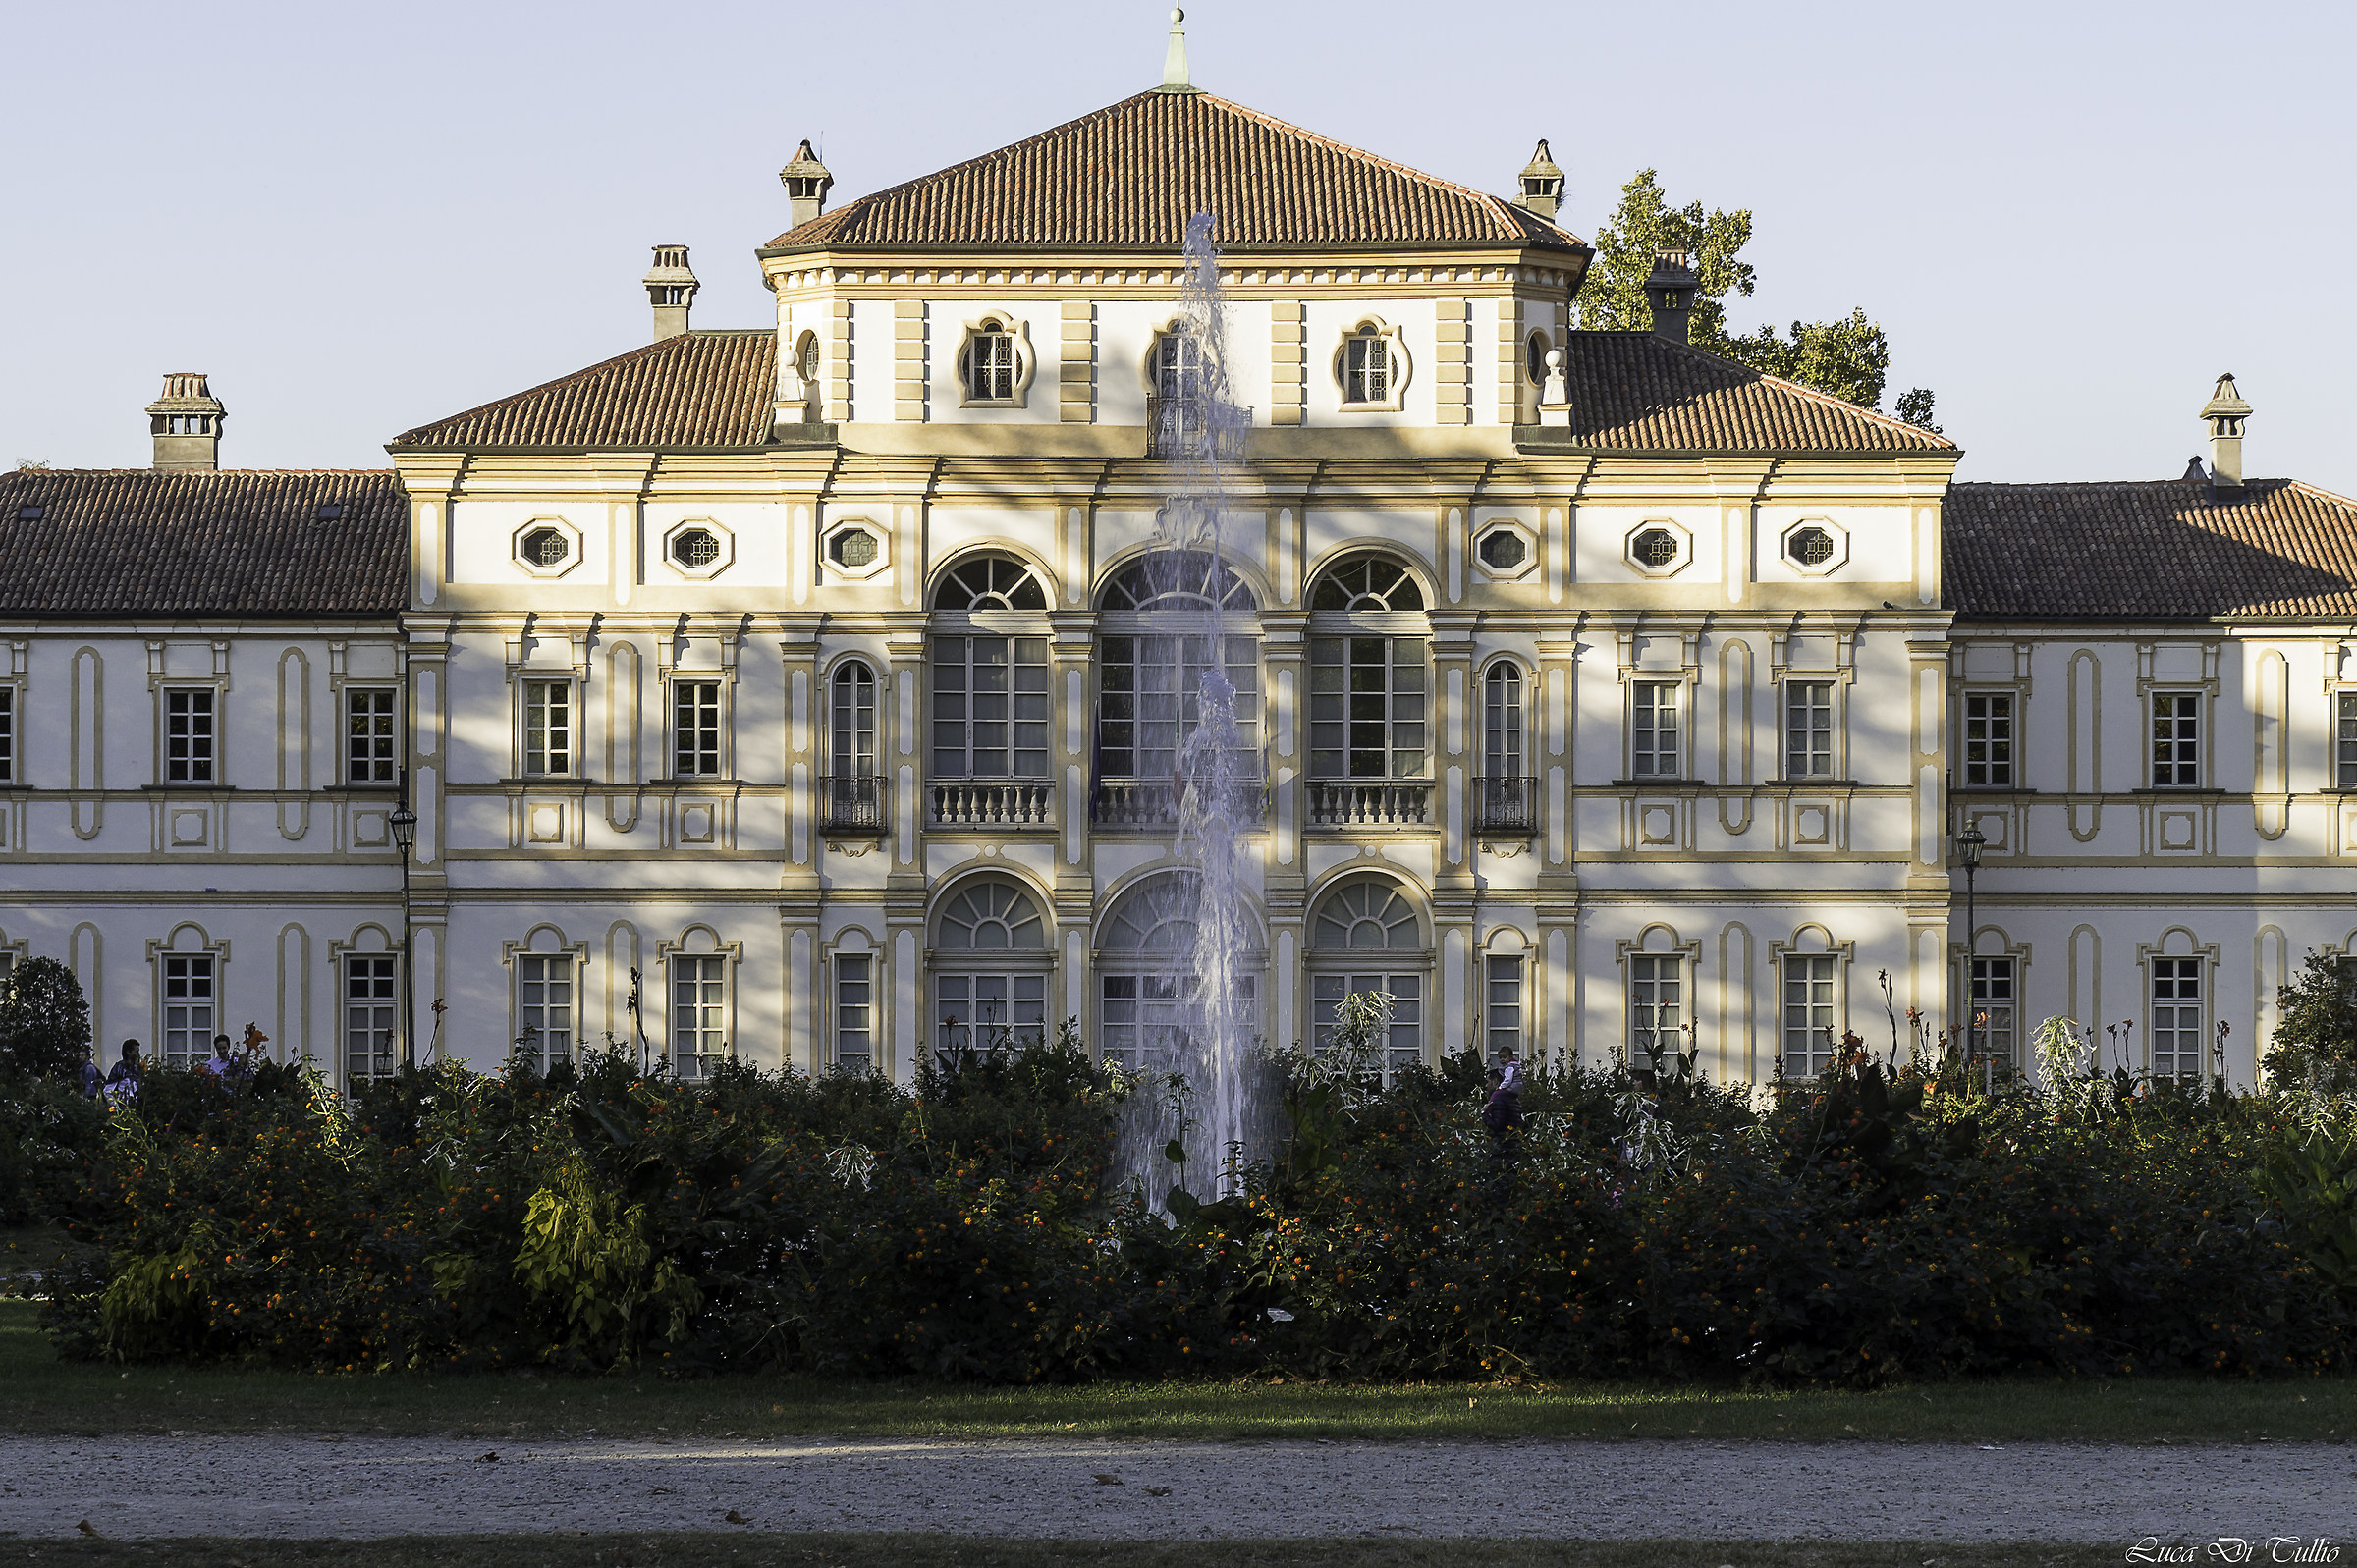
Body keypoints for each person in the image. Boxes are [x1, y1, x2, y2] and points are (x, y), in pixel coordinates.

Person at [103, 1039, 143, 1105]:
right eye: (136, 1051)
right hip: (121, 1106)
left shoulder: (136, 1069)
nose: (138, 1054)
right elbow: (108, 1089)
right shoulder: (119, 1068)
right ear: (128, 1052)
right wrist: (116, 1106)